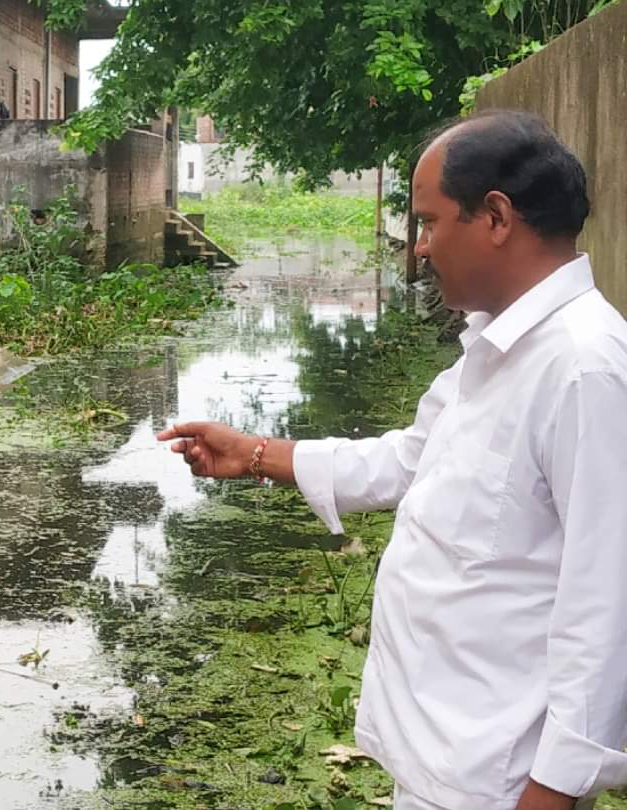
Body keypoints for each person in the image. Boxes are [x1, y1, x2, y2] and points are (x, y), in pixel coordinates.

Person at [158, 110, 627, 810]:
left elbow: (608, 607)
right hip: (444, 754)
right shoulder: (497, 348)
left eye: (431, 223)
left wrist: (553, 790)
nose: (419, 248)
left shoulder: (584, 369)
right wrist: (256, 454)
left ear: (496, 216)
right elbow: (411, 460)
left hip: (501, 782)